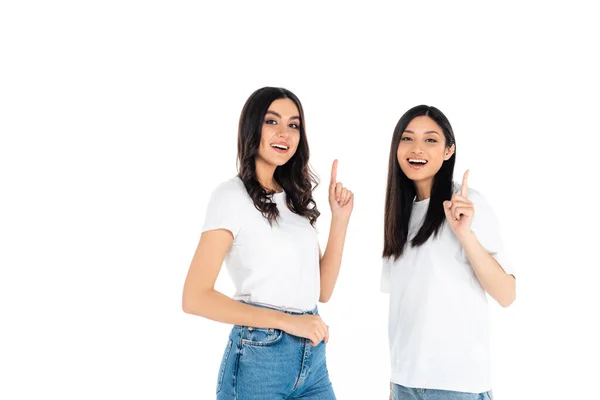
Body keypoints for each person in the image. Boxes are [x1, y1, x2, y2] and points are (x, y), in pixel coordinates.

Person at [182, 87, 353, 399]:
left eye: (294, 124)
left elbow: (322, 291)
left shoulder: (295, 201)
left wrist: (340, 219)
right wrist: (287, 322)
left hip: (312, 361)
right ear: (252, 127)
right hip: (259, 360)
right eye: (272, 122)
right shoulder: (230, 197)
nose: (284, 133)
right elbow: (195, 297)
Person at [381, 105, 516, 400]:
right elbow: (406, 310)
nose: (417, 148)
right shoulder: (398, 214)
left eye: (430, 140)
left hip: (456, 386)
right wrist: (395, 383)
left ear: (448, 150)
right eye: (407, 138)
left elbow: (507, 294)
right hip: (405, 384)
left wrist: (465, 234)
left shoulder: (467, 205)